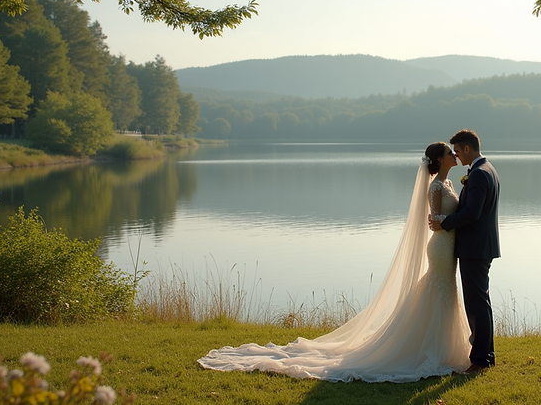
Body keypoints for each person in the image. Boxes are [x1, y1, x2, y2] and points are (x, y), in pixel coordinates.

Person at [197, 142, 471, 382]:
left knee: (443, 290)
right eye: (450, 152)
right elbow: (435, 221)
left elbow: (441, 219)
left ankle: (439, 348)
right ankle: (429, 351)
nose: (454, 155)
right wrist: (452, 221)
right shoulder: (436, 186)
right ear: (439, 160)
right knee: (438, 289)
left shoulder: (447, 183)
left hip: (450, 247)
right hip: (440, 248)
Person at [428, 129, 500, 374]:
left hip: (475, 248)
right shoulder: (486, 169)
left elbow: (472, 213)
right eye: (452, 152)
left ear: (467, 149)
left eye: (457, 150)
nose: (457, 155)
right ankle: (485, 356)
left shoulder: (479, 174)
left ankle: (480, 360)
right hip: (479, 246)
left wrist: (444, 223)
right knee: (480, 302)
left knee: (476, 303)